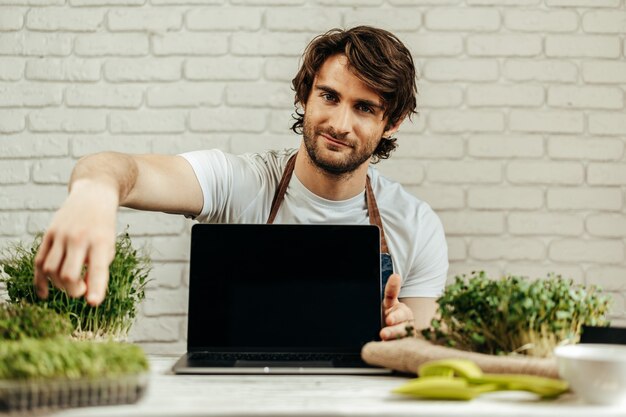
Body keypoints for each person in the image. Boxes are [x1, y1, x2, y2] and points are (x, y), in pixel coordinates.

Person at [34, 26, 448, 341]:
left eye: (363, 107)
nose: (339, 123)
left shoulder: (415, 224)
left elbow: (422, 351)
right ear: (305, 96)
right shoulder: (241, 182)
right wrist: (95, 194)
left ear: (391, 122)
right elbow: (124, 169)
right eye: (329, 97)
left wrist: (406, 334)